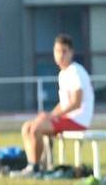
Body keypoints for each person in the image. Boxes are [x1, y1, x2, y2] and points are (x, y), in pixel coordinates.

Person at [18, 33, 94, 174]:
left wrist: (52, 116)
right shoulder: (63, 74)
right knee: (27, 127)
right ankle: (31, 164)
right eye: (57, 51)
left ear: (71, 53)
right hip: (68, 117)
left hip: (78, 120)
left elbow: (76, 103)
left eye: (64, 51)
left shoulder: (76, 71)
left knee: (36, 129)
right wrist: (50, 115)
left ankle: (35, 167)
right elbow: (64, 103)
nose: (61, 55)